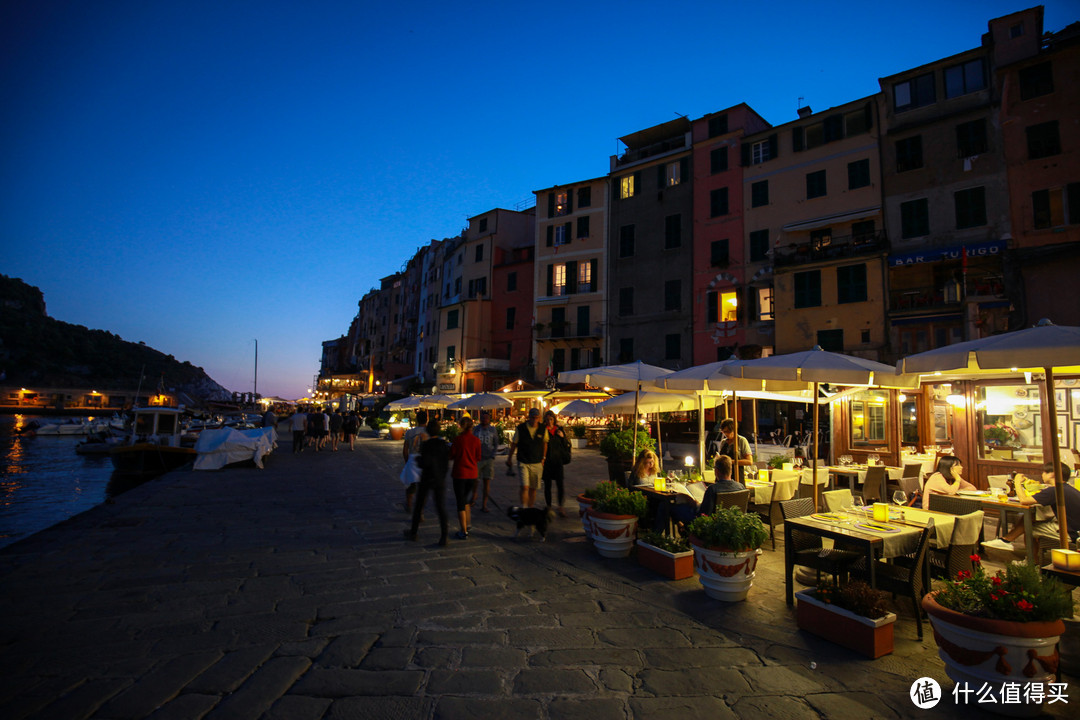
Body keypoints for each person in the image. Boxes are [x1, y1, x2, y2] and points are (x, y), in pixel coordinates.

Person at [984, 462, 1080, 552]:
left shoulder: (1054, 490)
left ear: (1052, 474)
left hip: (1070, 533)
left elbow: (1024, 501)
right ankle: (1006, 540)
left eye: (1044, 472)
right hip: (1075, 529)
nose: (1042, 475)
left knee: (1028, 527)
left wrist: (1017, 482)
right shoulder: (1068, 488)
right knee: (1030, 518)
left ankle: (1031, 563)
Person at [405, 420, 450, 546]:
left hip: (427, 478)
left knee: (419, 505)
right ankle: (444, 536)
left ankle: (413, 532)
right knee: (441, 508)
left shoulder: (427, 445)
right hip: (439, 478)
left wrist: (418, 459)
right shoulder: (444, 444)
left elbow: (425, 462)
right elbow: (446, 463)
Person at [507, 407, 545, 508]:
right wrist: (509, 458)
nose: (534, 420)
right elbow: (514, 443)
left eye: (536, 418)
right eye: (532, 418)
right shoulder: (521, 428)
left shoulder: (542, 428)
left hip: (536, 461)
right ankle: (524, 507)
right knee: (525, 486)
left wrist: (543, 457)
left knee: (533, 488)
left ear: (539, 418)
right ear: (529, 418)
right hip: (523, 460)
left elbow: (545, 443)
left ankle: (530, 507)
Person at [450, 417, 481, 539]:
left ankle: (463, 531)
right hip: (472, 474)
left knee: (460, 502)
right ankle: (467, 524)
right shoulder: (476, 440)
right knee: (466, 500)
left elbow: (452, 455)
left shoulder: (458, 440)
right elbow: (478, 457)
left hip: (460, 473)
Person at [541, 410, 569, 516]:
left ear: (554, 419)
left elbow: (566, 444)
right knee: (547, 485)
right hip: (547, 461)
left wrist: (562, 437)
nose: (549, 421)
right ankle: (548, 506)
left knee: (560, 484)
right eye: (547, 419)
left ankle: (560, 506)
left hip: (558, 461)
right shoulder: (543, 430)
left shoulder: (559, 430)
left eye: (551, 419)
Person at [402, 411, 430, 515]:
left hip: (412, 460)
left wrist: (407, 461)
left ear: (417, 419)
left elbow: (405, 449)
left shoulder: (410, 432)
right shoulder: (429, 432)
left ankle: (409, 505)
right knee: (423, 488)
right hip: (425, 461)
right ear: (426, 419)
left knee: (411, 485)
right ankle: (421, 510)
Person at [473, 412, 501, 512]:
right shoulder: (476, 429)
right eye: (483, 418)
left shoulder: (493, 429)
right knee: (475, 481)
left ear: (489, 419)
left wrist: (493, 455)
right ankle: (474, 496)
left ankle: (484, 505)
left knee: (486, 482)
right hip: (478, 458)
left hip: (489, 458)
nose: (484, 420)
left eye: (486, 418)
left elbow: (496, 443)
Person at [712, 418, 753, 483]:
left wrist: (731, 462)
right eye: (724, 432)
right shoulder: (723, 442)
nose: (726, 434)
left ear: (734, 430)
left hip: (737, 476)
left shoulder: (741, 441)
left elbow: (749, 461)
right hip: (723, 477)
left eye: (728, 431)